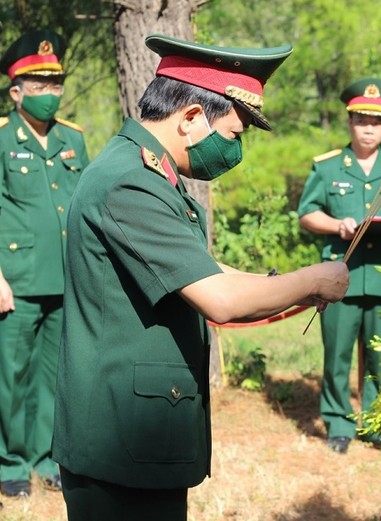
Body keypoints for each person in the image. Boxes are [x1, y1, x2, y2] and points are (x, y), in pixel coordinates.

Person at [51, 34, 349, 521]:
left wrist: (285, 282)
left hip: (136, 434)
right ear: (190, 117)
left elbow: (201, 270)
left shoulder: (148, 174)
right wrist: (314, 278)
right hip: (120, 437)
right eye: (233, 135)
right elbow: (220, 299)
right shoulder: (130, 182)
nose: (234, 151)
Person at [297, 77, 381, 454]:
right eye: (362, 119)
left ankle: (379, 423)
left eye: (377, 121)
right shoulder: (329, 167)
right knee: (337, 354)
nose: (369, 127)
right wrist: (338, 225)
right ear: (349, 121)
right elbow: (306, 214)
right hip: (339, 275)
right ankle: (338, 424)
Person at [0, 29, 89, 498]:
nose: (49, 95)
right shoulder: (0, 139)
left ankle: (44, 456)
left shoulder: (73, 138)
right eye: (38, 87)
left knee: (55, 375)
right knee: (11, 377)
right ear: (16, 92)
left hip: (66, 278)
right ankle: (10, 462)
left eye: (55, 85)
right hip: (15, 280)